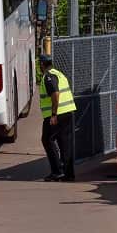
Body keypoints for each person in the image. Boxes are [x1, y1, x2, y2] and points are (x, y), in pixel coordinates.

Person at [39, 53, 76, 181]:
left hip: (57, 114)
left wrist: (53, 114)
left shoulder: (48, 76)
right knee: (64, 143)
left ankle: (57, 171)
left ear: (42, 65)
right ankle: (68, 174)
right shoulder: (59, 73)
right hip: (67, 112)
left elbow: (55, 93)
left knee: (47, 140)